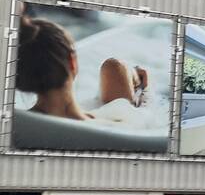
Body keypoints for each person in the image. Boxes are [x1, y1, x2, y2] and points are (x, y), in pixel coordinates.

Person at [16, 14, 148, 121]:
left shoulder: (15, 123)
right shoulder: (113, 125)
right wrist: (144, 92)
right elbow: (116, 68)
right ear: (72, 63)